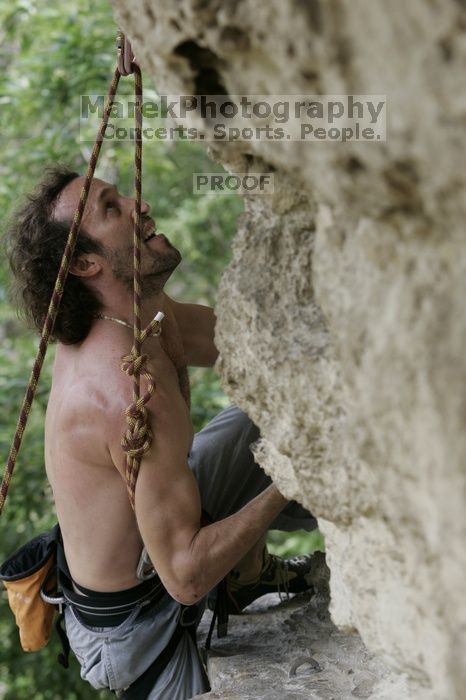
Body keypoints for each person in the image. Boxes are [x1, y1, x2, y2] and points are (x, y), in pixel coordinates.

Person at [7, 166, 323, 699]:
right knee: (293, 453)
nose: (138, 205)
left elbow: (253, 350)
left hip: (162, 543)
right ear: (86, 263)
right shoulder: (122, 393)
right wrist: (291, 477)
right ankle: (243, 569)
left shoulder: (143, 315)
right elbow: (185, 576)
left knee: (277, 416)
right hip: (137, 630)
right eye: (112, 209)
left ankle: (248, 573)